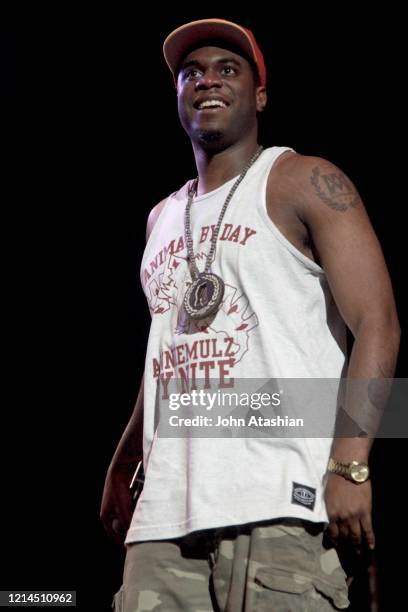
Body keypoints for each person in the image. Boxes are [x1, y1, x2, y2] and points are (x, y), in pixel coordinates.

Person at [100, 18, 400, 611]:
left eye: (226, 69)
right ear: (177, 94)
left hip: (279, 500)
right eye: (191, 73)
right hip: (165, 515)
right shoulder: (160, 218)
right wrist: (126, 456)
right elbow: (166, 351)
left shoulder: (304, 180)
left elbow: (378, 322)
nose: (207, 81)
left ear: (259, 94)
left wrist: (351, 464)